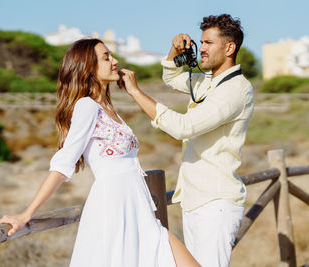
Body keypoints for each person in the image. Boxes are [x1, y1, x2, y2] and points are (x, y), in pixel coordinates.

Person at [0, 38, 200, 267]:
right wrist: (26, 214)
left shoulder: (109, 109)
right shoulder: (86, 106)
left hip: (139, 211)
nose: (115, 61)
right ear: (88, 67)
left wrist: (134, 91)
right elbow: (63, 163)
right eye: (106, 57)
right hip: (113, 209)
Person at [120, 14, 254, 267]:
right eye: (200, 42)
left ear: (229, 48)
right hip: (197, 199)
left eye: (207, 43)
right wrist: (174, 49)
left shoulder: (235, 89)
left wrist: (136, 92)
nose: (200, 48)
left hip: (215, 203)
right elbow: (171, 77)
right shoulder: (209, 82)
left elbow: (184, 127)